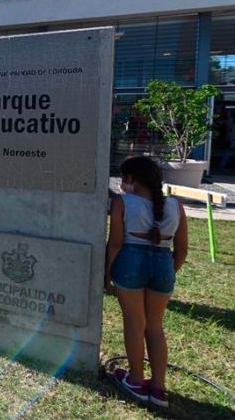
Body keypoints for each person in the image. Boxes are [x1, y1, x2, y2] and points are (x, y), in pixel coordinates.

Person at [105, 156, 187, 409]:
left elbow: (116, 243)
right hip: (163, 264)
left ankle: (136, 380)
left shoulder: (122, 202)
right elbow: (181, 249)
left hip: (130, 261)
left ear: (131, 179)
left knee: (133, 322)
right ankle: (159, 387)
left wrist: (107, 273)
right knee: (155, 327)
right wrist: (168, 272)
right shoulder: (177, 206)